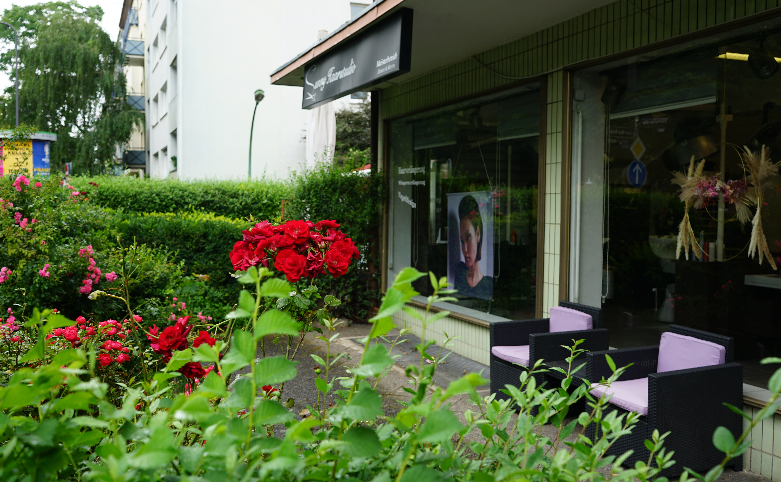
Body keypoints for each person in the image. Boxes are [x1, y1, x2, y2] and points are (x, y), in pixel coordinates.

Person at [454, 194, 493, 300]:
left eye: (468, 237)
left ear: (478, 234)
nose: (465, 249)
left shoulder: (487, 284)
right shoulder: (460, 274)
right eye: (462, 241)